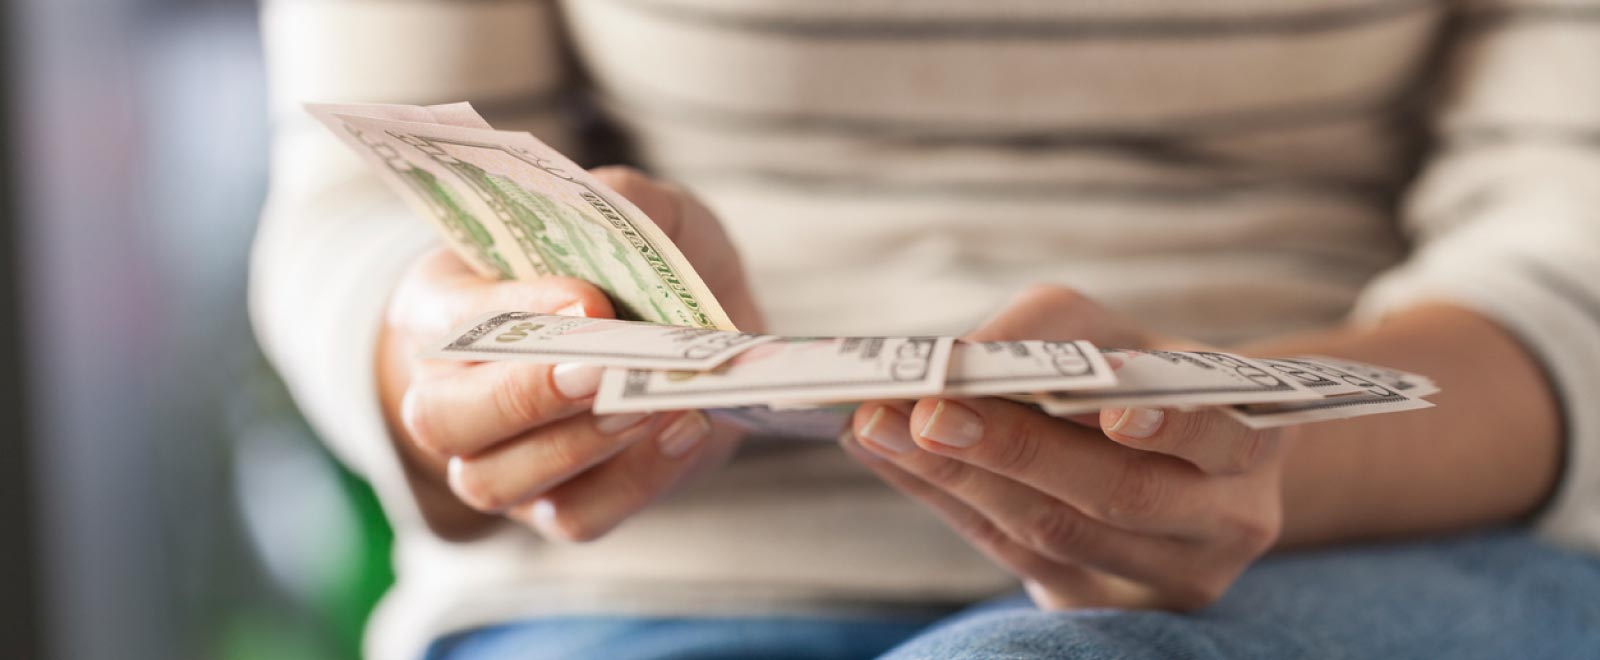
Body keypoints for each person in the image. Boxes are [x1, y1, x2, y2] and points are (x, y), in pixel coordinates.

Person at [251, 1, 1600, 658]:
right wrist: (465, 360)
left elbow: (1570, 255)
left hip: (1374, 522)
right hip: (646, 578)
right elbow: (360, 209)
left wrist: (1256, 466)